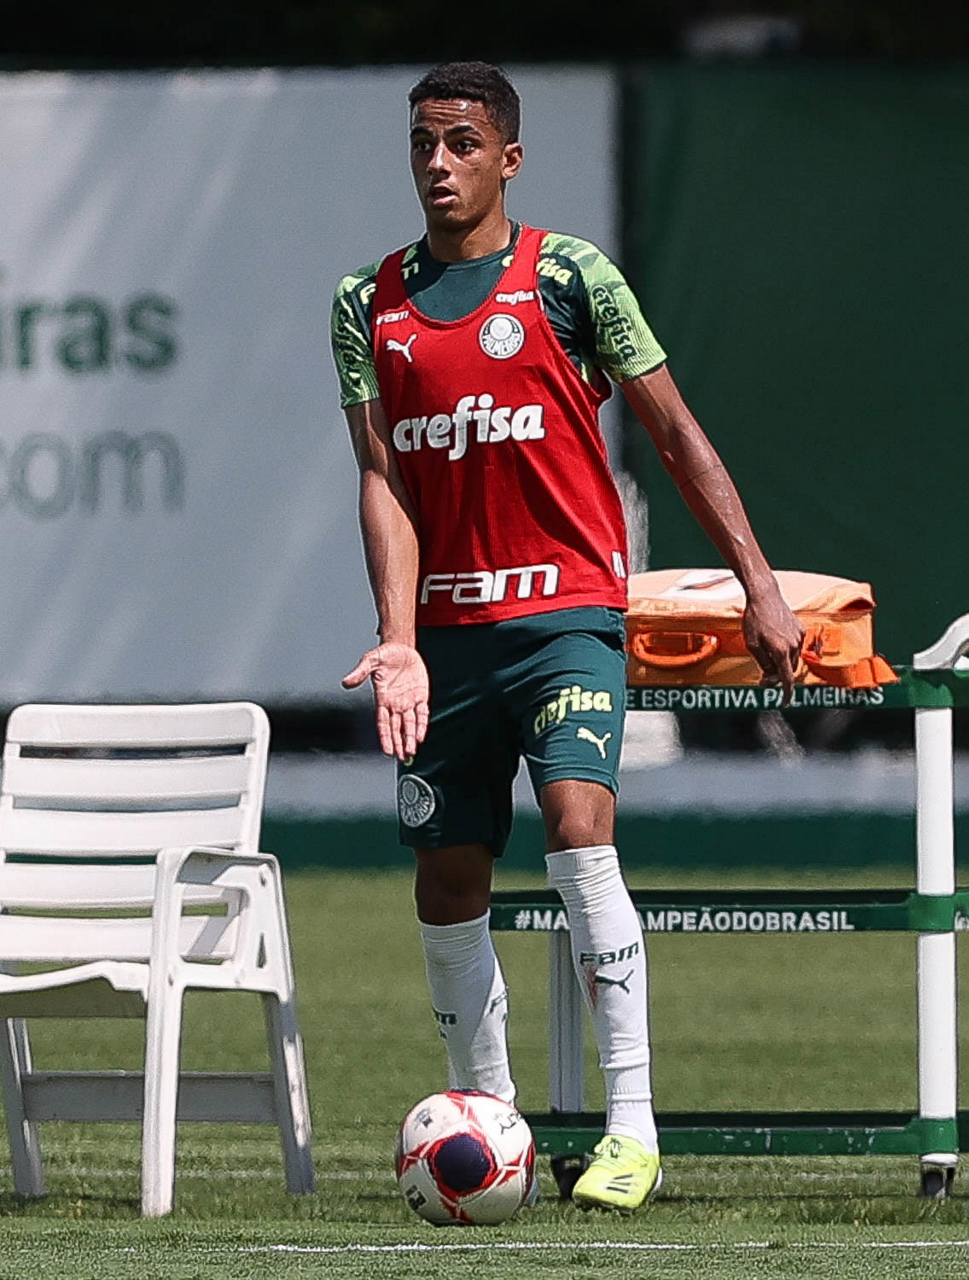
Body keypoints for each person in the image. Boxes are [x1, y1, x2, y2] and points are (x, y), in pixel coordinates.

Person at [331, 61, 803, 1213]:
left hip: (568, 615)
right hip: (448, 638)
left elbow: (676, 434)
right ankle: (495, 1127)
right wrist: (398, 636)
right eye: (422, 142)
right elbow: (383, 477)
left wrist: (761, 584)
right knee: (447, 874)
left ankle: (633, 1128)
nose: (437, 163)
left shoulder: (571, 276)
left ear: (508, 158)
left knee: (580, 827)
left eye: (460, 142)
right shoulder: (367, 301)